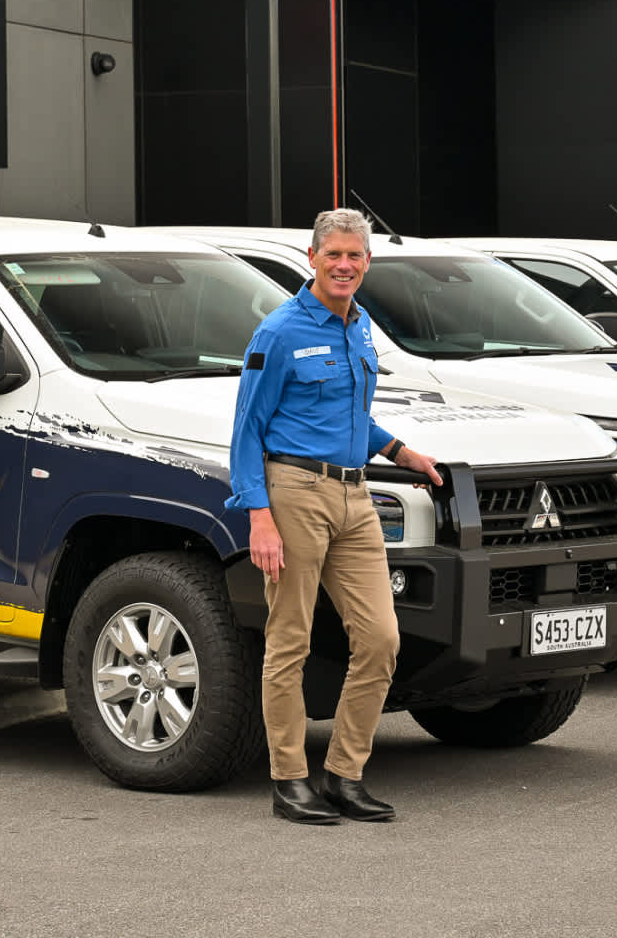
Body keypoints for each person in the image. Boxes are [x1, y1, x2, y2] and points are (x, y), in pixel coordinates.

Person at [227, 208, 443, 824]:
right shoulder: (279, 332)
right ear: (314, 258)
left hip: (356, 497)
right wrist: (258, 517)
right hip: (293, 494)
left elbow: (351, 417)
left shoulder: (362, 326)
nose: (344, 265)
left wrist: (402, 452)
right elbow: (247, 432)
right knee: (288, 641)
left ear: (367, 262)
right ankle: (289, 780)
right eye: (334, 256)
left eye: (355, 256)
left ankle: (344, 775)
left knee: (381, 639)